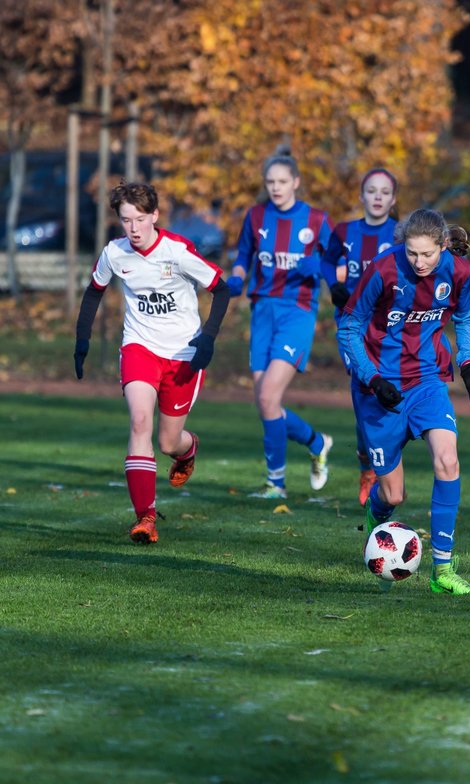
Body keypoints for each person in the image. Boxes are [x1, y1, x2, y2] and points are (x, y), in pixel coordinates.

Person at [336, 208, 470, 595]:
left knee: (448, 459)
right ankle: (377, 513)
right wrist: (372, 379)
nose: (420, 262)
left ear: (443, 245)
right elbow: (349, 327)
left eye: (427, 254)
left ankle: (443, 569)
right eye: (412, 254)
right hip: (380, 388)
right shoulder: (383, 270)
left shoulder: (458, 272)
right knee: (394, 494)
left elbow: (465, 319)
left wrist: (469, 361)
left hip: (428, 381)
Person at [73, 181, 230, 544]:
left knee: (168, 441)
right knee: (139, 420)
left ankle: (187, 451)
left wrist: (208, 338)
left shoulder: (177, 251)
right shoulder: (115, 253)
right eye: (126, 220)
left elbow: (221, 289)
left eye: (140, 219)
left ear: (155, 216)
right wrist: (83, 339)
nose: (134, 228)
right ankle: (145, 517)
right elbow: (94, 291)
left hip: (183, 355)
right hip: (140, 348)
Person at [228, 151, 335, 500]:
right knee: (265, 403)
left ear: (296, 182)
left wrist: (317, 266)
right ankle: (317, 443)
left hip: (297, 313)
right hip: (262, 311)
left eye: (282, 182)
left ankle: (276, 483)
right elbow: (243, 255)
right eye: (270, 182)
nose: (276, 188)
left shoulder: (316, 219)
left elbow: (339, 264)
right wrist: (237, 277)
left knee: (270, 395)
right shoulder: (256, 215)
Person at [320, 168, 399, 506]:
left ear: (393, 199)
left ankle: (378, 459)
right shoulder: (345, 230)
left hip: (387, 328)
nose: (378, 196)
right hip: (351, 327)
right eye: (372, 190)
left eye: (384, 192)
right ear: (361, 196)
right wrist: (334, 285)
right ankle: (368, 463)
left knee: (383, 392)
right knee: (364, 384)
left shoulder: (400, 233)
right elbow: (325, 262)